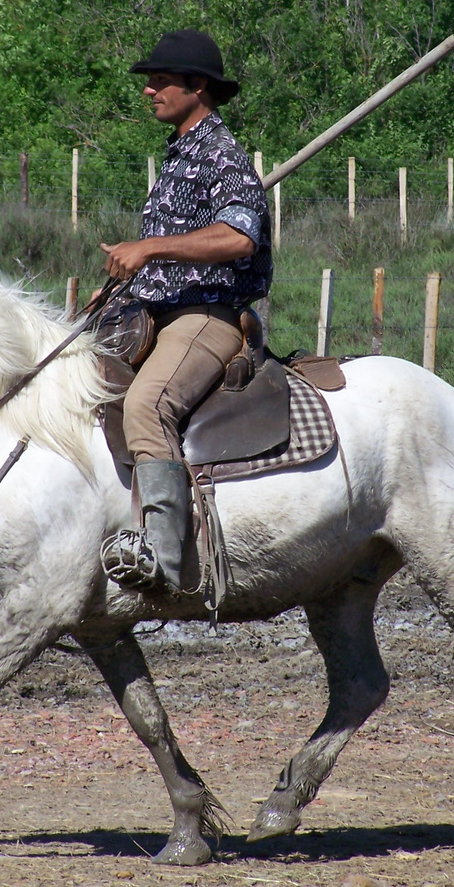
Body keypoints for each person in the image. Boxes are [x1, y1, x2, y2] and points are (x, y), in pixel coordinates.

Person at [99, 30, 272, 593]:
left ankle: (164, 560)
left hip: (206, 317)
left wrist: (148, 248)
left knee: (147, 405)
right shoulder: (178, 156)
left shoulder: (222, 155)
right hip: (156, 311)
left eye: (160, 80)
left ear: (197, 86)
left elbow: (239, 238)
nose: (149, 91)